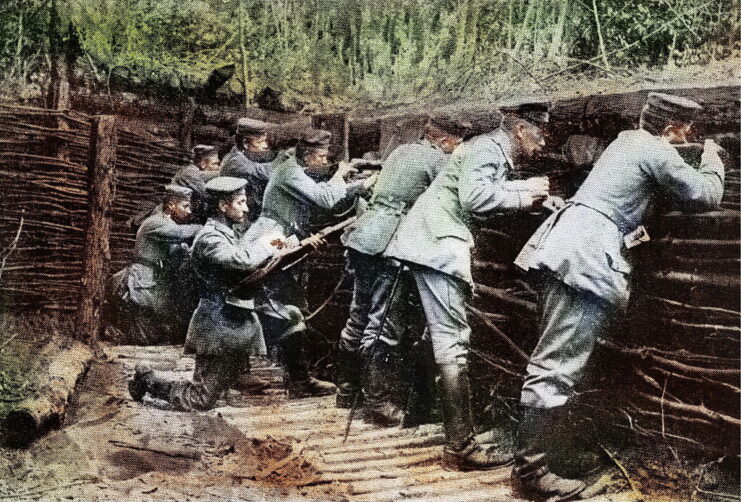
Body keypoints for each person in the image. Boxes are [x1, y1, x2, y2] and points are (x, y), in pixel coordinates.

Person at [511, 92, 725, 501]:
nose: (684, 142)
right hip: (583, 260)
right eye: (683, 134)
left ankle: (542, 460)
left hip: (566, 248)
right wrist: (712, 158)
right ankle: (531, 473)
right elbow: (704, 195)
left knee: (556, 357)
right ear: (670, 129)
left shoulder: (627, 140)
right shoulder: (655, 148)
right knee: (556, 364)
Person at [382, 104, 551, 471]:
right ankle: (459, 447)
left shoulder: (486, 149)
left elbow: (474, 189)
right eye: (540, 132)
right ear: (520, 129)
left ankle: (420, 415)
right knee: (451, 340)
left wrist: (528, 191)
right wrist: (525, 193)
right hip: (437, 243)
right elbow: (475, 198)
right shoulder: (487, 149)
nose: (544, 140)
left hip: (429, 240)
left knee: (439, 337)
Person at [336, 114, 471, 427]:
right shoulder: (439, 162)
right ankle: (376, 402)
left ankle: (346, 393)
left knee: (358, 314)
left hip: (364, 234)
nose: (455, 150)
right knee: (383, 323)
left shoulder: (400, 151)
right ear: (444, 139)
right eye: (455, 144)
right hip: (389, 243)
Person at [242, 129, 377, 397]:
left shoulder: (295, 170)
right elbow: (326, 199)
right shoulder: (289, 171)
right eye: (322, 158)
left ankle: (296, 377)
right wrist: (341, 172)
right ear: (308, 156)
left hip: (283, 241)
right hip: (271, 241)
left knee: (286, 307)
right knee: (269, 306)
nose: (324, 163)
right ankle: (282, 378)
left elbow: (324, 193)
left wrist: (361, 185)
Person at [128, 176, 279, 411]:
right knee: (199, 399)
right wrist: (269, 244)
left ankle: (234, 376)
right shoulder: (210, 238)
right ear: (222, 206)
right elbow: (240, 260)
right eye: (240, 202)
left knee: (220, 387)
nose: (246, 208)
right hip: (216, 323)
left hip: (233, 320)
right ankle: (147, 380)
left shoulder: (227, 232)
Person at [108, 185, 202, 344]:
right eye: (185, 206)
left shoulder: (167, 223)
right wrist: (204, 228)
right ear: (171, 205)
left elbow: (176, 252)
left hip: (152, 280)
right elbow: (180, 234)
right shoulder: (155, 222)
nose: (189, 211)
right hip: (141, 281)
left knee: (153, 333)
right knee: (143, 336)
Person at [220, 117, 277, 222]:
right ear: (246, 143)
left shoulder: (239, 154)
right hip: (235, 219)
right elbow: (267, 172)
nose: (264, 146)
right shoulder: (236, 161)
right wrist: (287, 156)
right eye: (260, 142)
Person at [171, 144, 221, 223]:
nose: (218, 167)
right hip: (175, 219)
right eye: (215, 164)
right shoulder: (189, 173)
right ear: (203, 164)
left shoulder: (192, 171)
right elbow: (207, 196)